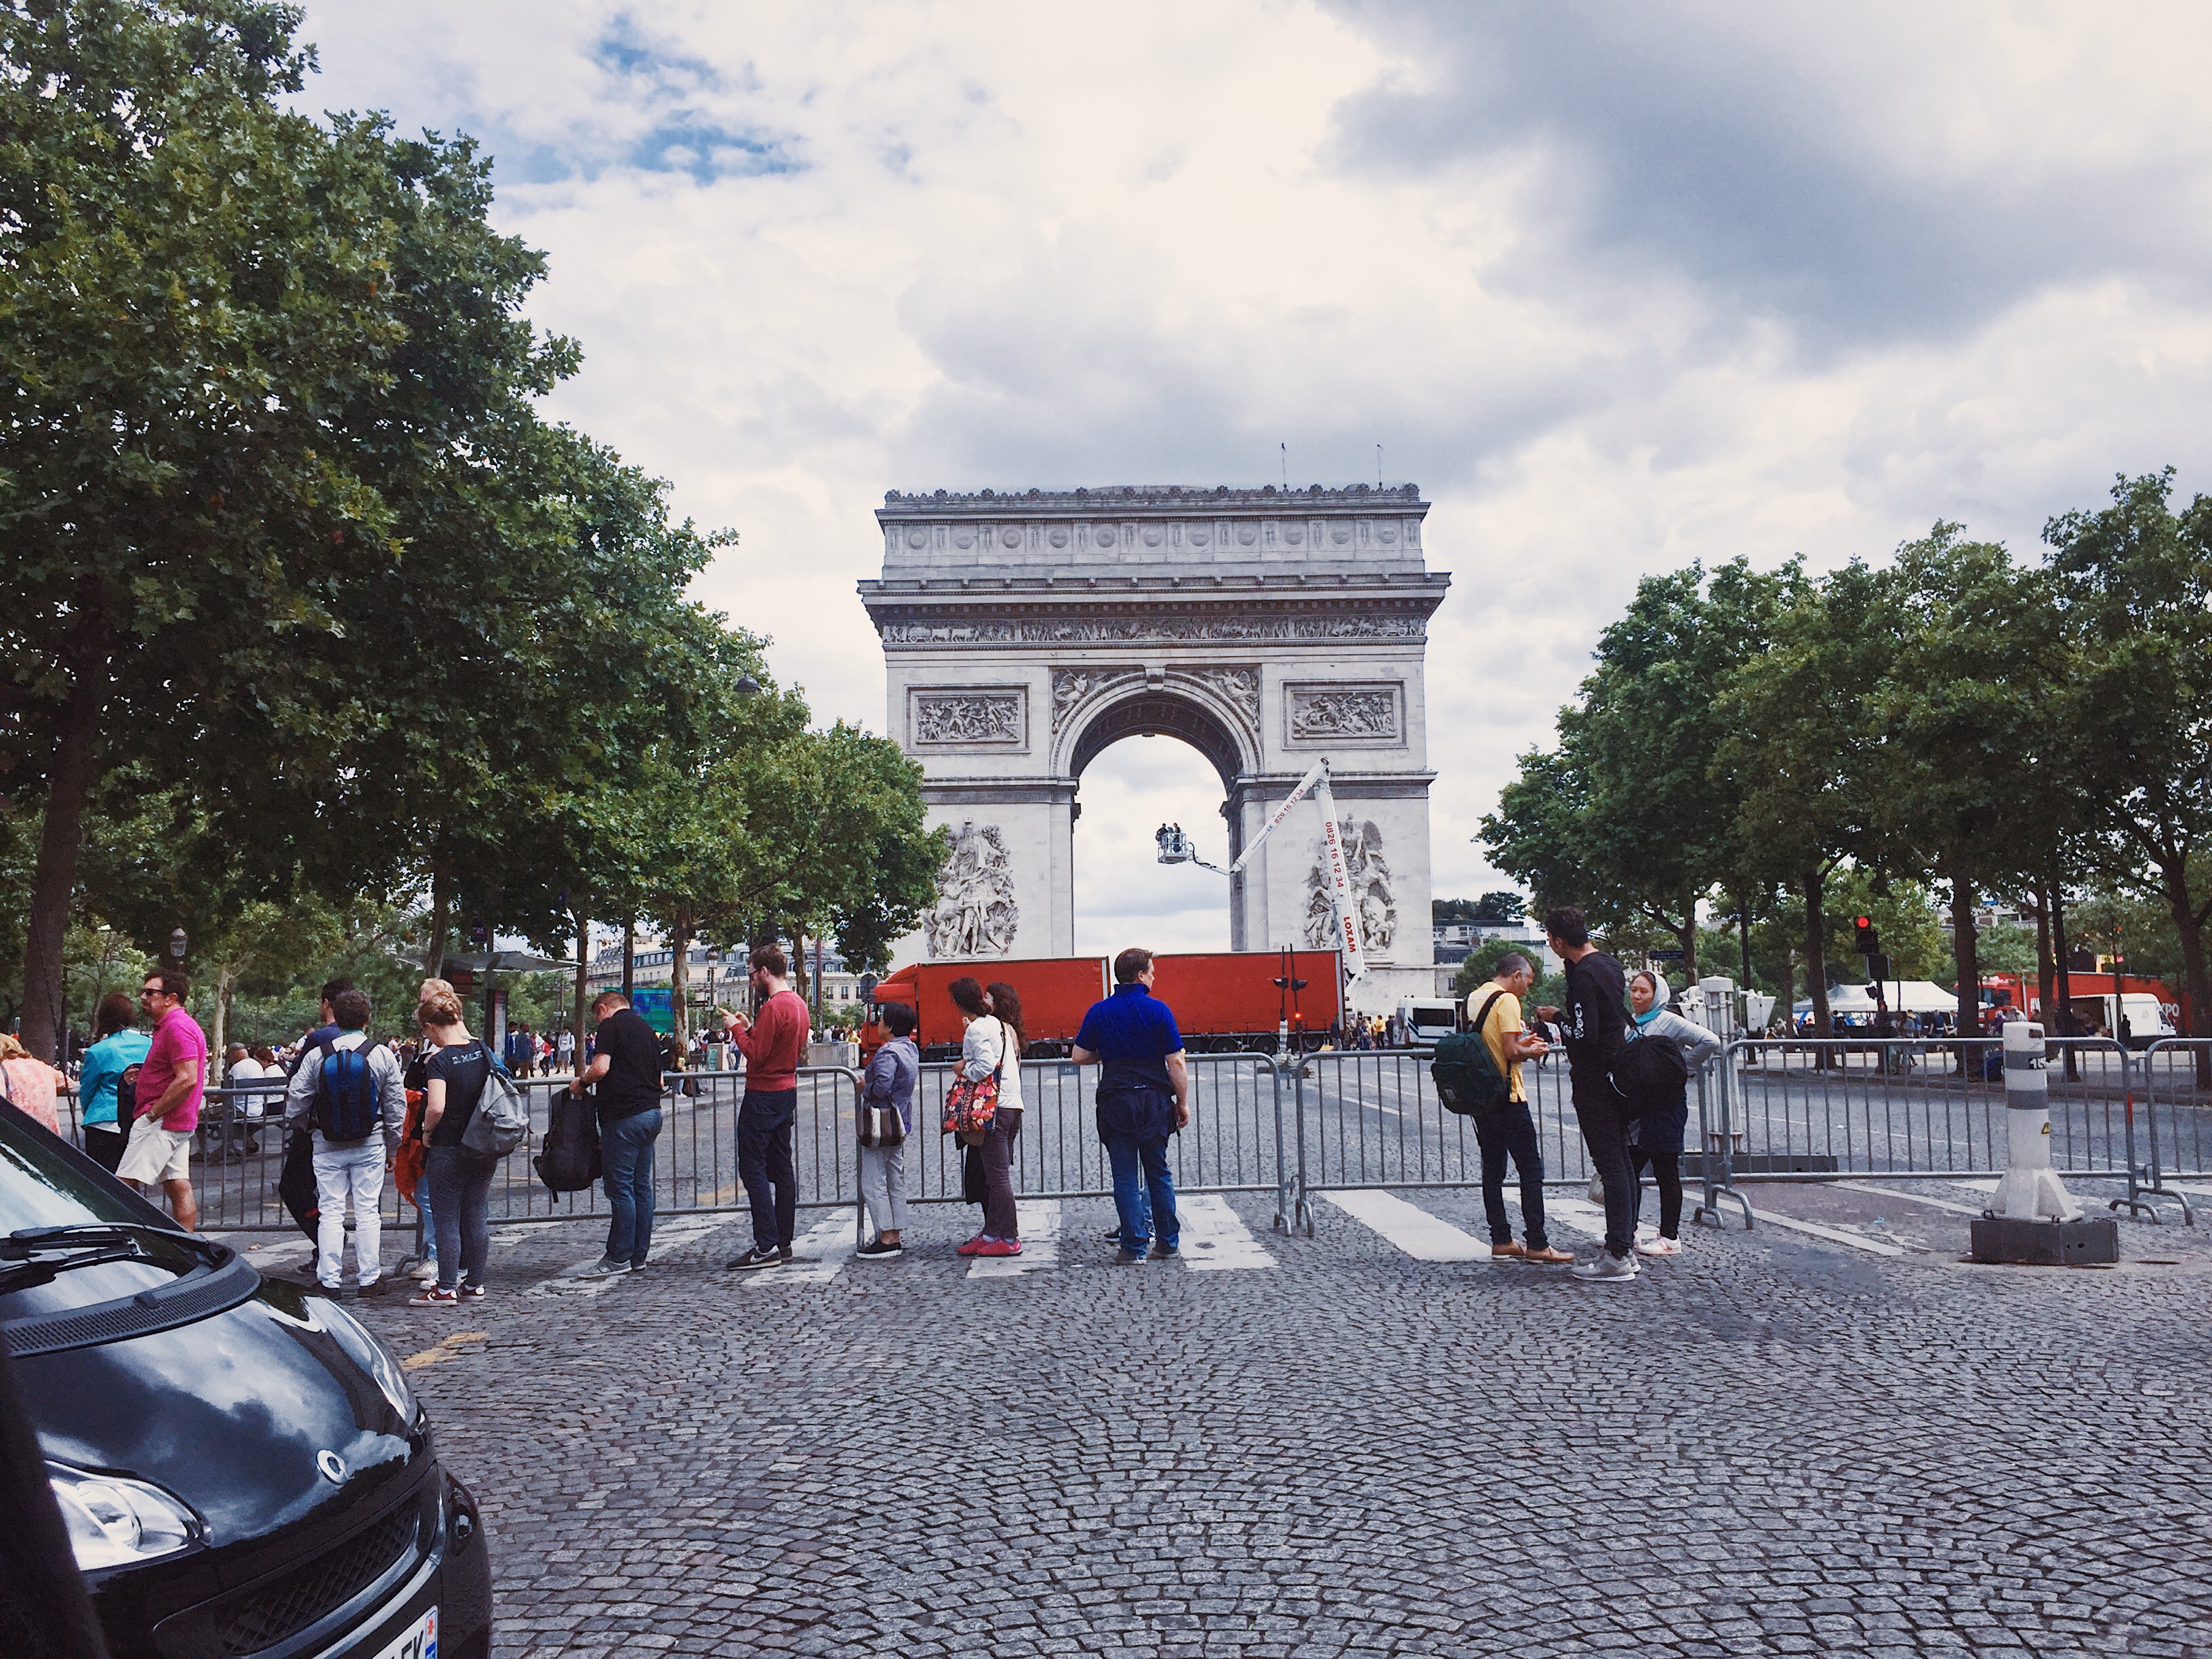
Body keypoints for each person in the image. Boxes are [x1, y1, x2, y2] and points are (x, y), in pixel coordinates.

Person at [1533, 908, 1638, 1284]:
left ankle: (1617, 1255)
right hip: (1617, 1073)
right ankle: (1624, 1244)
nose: (1550, 944)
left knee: (1610, 1164)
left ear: (1559, 941)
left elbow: (1583, 1033)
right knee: (1621, 1161)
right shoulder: (1609, 964)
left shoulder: (1583, 976)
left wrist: (1556, 1019)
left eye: (1549, 938)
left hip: (1595, 1079)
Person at [1071, 947, 1190, 1265]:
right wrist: (1183, 1103)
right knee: (1158, 1172)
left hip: (1116, 1101)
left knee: (1124, 1176)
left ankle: (1133, 1247)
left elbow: (1078, 1056)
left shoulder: (1100, 1011)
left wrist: (1105, 1056)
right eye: (1151, 972)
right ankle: (1167, 1243)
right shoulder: (1159, 1010)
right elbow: (1176, 1062)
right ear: (1140, 975)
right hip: (1153, 1101)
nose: (1154, 977)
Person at [283, 988, 405, 1295]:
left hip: (327, 1143)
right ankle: (370, 1279)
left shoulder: (318, 1055)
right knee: (368, 1211)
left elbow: (296, 1101)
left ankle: (329, 1280)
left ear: (335, 1017)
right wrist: (393, 1146)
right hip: (370, 1142)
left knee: (330, 1211)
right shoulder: (381, 1054)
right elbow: (395, 1106)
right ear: (367, 1019)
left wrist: (309, 1129)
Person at [1466, 955, 1574, 1265]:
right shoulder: (1507, 1000)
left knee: (1493, 1171)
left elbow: (1488, 1044)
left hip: (1482, 1097)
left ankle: (1501, 1239)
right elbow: (1511, 1051)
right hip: (1509, 1096)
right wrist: (1533, 1050)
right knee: (1531, 1170)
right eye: (1528, 981)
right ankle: (1537, 1242)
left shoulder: (1473, 998)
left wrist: (1520, 1044)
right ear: (1516, 975)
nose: (1528, 988)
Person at [723, 945, 810, 1271]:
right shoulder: (798, 1004)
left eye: (751, 975)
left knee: (753, 1168)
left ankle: (766, 1244)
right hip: (786, 1090)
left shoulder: (773, 1008)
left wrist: (736, 1029)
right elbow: (776, 1046)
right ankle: (783, 1240)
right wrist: (750, 1028)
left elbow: (757, 1055)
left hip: (763, 1093)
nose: (751, 982)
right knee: (782, 1167)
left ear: (763, 971)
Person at [1622, 970, 1719, 1259]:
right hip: (1637, 1108)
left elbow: (1709, 1041)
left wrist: (1679, 1069)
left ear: (1657, 995)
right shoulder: (1631, 1023)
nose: (1637, 996)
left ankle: (1669, 1237)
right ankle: (1627, 1231)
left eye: (1644, 991)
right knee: (1630, 1169)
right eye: (1634, 990)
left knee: (1665, 1172)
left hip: (1666, 1106)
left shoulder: (1669, 1021)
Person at [571, 989, 666, 1278]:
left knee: (620, 1187)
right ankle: (639, 1255)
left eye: (597, 1016)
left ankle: (618, 1256)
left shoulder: (611, 1026)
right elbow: (661, 1080)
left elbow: (601, 1067)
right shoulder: (647, 1029)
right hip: (651, 1113)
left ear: (603, 1008)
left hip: (624, 1115)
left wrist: (581, 1083)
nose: (598, 1021)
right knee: (641, 1187)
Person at [413, 983, 495, 1305]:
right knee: (476, 1215)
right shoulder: (482, 1050)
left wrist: (426, 1131)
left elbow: (436, 1106)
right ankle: (474, 1284)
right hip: (483, 1144)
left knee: (446, 1218)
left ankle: (446, 1287)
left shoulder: (440, 1061)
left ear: (431, 1026)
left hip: (449, 1146)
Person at [116, 969, 207, 1229]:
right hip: (175, 1122)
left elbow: (187, 1078)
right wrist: (146, 1075)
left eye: (150, 992)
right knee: (178, 1186)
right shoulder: (177, 1026)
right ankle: (188, 1242)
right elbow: (182, 1074)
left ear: (171, 998)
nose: (143, 997)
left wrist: (152, 1114)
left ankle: (120, 1241)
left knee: (120, 1187)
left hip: (162, 1122)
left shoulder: (177, 1027)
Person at [947, 977, 1023, 1258]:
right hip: (1010, 1104)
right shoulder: (996, 1024)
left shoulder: (977, 1028)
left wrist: (963, 1069)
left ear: (959, 1004)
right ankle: (992, 1232)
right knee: (994, 1176)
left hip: (993, 1108)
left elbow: (986, 1065)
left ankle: (1010, 1237)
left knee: (997, 1178)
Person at [857, 1001, 920, 1258]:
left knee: (873, 1179)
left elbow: (882, 1085)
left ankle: (885, 1235)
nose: (879, 1023)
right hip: (901, 1120)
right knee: (895, 1176)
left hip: (881, 1120)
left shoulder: (888, 1052)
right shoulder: (910, 1048)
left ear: (891, 1026)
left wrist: (866, 1088)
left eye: (882, 1019)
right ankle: (896, 1232)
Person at [74, 993, 147, 1172]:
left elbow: (87, 1089)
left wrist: (88, 1111)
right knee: (131, 1178)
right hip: (138, 1120)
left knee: (102, 1178)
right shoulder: (149, 1044)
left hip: (104, 1121)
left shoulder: (98, 1050)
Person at [0, 1033, 65, 1136]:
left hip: (19, 1133)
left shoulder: (3, 1067)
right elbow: (67, 1082)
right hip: (49, 1135)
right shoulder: (41, 1065)